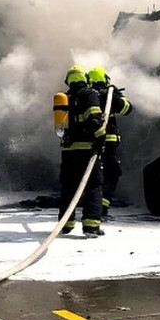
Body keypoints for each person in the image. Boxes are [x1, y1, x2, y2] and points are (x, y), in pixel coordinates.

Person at [59, 65, 106, 237]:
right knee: (93, 186)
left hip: (68, 150)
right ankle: (91, 226)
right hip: (87, 149)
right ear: (84, 79)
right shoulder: (89, 94)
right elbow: (94, 118)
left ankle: (65, 224)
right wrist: (100, 137)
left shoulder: (64, 97)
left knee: (69, 186)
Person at [88, 66, 132, 218]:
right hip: (108, 142)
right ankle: (102, 207)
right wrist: (116, 95)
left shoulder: (88, 96)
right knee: (112, 174)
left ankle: (96, 206)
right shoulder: (108, 95)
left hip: (89, 143)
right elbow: (127, 109)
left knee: (94, 175)